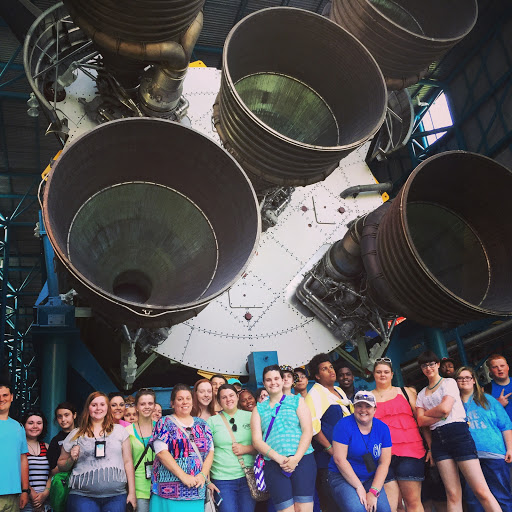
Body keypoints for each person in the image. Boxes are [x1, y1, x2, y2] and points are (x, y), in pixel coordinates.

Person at [415, 351, 501, 512]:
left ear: (438, 364)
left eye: (431, 364)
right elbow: (421, 421)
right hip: (438, 441)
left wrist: (428, 413)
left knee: (481, 491)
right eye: (424, 365)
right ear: (421, 369)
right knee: (453, 494)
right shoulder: (421, 394)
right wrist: (439, 415)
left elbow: (446, 408)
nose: (428, 368)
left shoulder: (449, 383)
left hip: (458, 434)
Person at [251, 364, 316, 512]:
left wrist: (296, 458)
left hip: (303, 460)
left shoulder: (297, 401)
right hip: (274, 464)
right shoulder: (258, 409)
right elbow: (257, 441)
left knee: (304, 509)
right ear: (264, 383)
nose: (273, 382)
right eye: (268, 380)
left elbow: (307, 430)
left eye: (276, 378)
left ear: (282, 380)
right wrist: (280, 459)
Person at [58, 391, 137, 512]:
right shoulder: (75, 434)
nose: (98, 408)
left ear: (107, 408)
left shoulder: (120, 431)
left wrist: (132, 493)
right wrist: (71, 459)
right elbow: (61, 465)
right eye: (94, 405)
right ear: (88, 408)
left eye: (102, 404)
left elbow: (128, 462)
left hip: (116, 496)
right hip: (82, 497)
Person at [372, 358, 427, 512]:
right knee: (393, 506)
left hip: (409, 451)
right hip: (381, 455)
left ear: (392, 374)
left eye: (386, 372)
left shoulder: (405, 392)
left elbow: (421, 420)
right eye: (379, 372)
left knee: (413, 502)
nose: (382, 375)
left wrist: (430, 448)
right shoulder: (367, 396)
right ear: (373, 374)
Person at [149, 383, 214, 511]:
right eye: (180, 399)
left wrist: (202, 475)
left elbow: (210, 452)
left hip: (196, 490)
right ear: (172, 403)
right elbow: (162, 453)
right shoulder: (164, 423)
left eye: (188, 398)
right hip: (167, 492)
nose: (185, 402)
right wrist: (183, 476)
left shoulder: (202, 424)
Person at [455, 366, 512, 511]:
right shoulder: (453, 404)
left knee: (502, 496)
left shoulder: (488, 400)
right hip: (467, 457)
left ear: (474, 380)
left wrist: (510, 448)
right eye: (460, 378)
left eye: (467, 377)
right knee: (474, 499)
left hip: (494, 454)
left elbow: (505, 425)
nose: (464, 381)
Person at [329, 391, 392, 512]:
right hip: (342, 477)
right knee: (357, 509)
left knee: (383, 510)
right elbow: (339, 459)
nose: (363, 410)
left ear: (375, 409)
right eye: (359, 406)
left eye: (368, 406)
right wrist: (359, 487)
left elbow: (384, 462)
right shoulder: (343, 425)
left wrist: (373, 491)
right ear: (354, 407)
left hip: (369, 477)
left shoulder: (383, 428)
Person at [305, 353, 352, 512]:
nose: (331, 371)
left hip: (348, 455)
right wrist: (330, 450)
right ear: (317, 376)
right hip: (328, 460)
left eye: (331, 367)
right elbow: (312, 427)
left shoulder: (339, 391)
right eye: (324, 369)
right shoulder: (315, 394)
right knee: (334, 504)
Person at [207, 384, 256, 512]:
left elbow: (262, 445)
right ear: (218, 401)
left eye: (231, 395)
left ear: (237, 396)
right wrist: (207, 481)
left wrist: (246, 449)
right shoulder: (212, 421)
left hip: (248, 477)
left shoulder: (251, 416)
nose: (228, 399)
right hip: (222, 479)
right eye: (223, 397)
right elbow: (205, 453)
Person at [0, 381, 29, 511]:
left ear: (12, 397)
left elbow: (23, 459)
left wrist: (25, 490)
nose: (1, 399)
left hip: (14, 493)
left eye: (5, 395)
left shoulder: (18, 427)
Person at [126, 388, 157, 512]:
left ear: (154, 406)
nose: (147, 407)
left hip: (160, 489)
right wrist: (131, 492)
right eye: (143, 404)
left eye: (150, 403)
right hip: (138, 490)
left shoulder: (162, 428)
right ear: (137, 407)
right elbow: (127, 463)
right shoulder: (127, 431)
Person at [21, 411, 51, 512]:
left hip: (45, 502)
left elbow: (53, 474)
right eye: (30, 423)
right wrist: (32, 494)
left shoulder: (47, 447)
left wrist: (45, 494)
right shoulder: (18, 447)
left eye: (39, 423)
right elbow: (16, 473)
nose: (35, 426)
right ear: (23, 425)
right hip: (25, 502)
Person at [47, 402, 77, 472]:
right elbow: (53, 469)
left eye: (66, 415)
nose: (63, 419)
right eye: (59, 416)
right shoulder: (55, 441)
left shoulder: (82, 434)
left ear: (74, 415)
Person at [484, 354, 512, 421]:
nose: (499, 369)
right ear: (490, 370)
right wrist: (497, 405)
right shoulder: (486, 390)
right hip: (504, 430)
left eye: (502, 366)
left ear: (508, 367)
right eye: (495, 367)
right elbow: (485, 415)